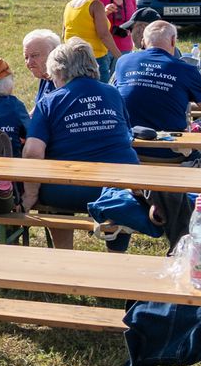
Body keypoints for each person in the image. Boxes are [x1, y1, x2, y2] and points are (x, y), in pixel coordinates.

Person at [19, 37, 139, 248]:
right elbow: (127, 134)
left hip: (68, 189)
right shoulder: (112, 93)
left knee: (53, 197)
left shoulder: (49, 101)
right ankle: (116, 254)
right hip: (121, 185)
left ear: (58, 71)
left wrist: (30, 194)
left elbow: (33, 152)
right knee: (120, 201)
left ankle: (64, 253)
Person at [114, 20, 201, 132]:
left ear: (143, 42)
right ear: (173, 41)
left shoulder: (123, 62)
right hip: (170, 144)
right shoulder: (186, 70)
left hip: (128, 141)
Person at [64, 0, 119, 80]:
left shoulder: (69, 5)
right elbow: (103, 34)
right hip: (94, 59)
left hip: (73, 58)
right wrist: (119, 56)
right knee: (101, 93)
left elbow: (64, 33)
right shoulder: (95, 5)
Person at [22, 27, 62, 100]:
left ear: (53, 53)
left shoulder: (63, 83)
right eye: (26, 57)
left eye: (35, 55)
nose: (29, 62)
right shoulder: (46, 77)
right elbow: (39, 108)